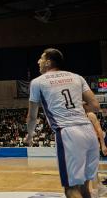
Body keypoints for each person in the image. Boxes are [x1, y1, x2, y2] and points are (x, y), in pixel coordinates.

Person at [25, 48, 101, 198]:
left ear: (48, 62)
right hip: (89, 132)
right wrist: (78, 108)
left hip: (68, 133)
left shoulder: (37, 82)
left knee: (71, 189)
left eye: (41, 58)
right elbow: (95, 106)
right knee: (85, 189)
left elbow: (32, 117)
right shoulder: (77, 77)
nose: (38, 62)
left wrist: (30, 135)